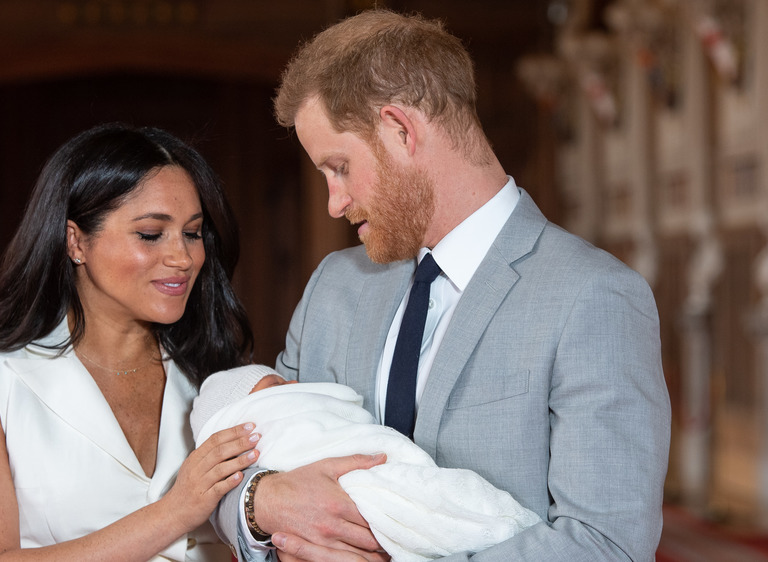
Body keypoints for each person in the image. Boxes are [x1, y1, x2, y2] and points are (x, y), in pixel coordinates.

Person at [215, 9, 671, 562]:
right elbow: (246, 452)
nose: (335, 202)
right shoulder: (336, 286)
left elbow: (607, 546)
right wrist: (261, 505)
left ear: (401, 130)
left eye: (339, 167)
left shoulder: (594, 297)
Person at [0, 123, 262, 561]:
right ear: (76, 240)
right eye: (150, 234)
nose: (183, 258)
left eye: (193, 233)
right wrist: (174, 512)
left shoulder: (220, 377)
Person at [191, 365, 539, 562]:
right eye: (279, 385)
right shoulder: (329, 284)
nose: (294, 384)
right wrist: (261, 500)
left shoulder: (584, 286)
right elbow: (219, 485)